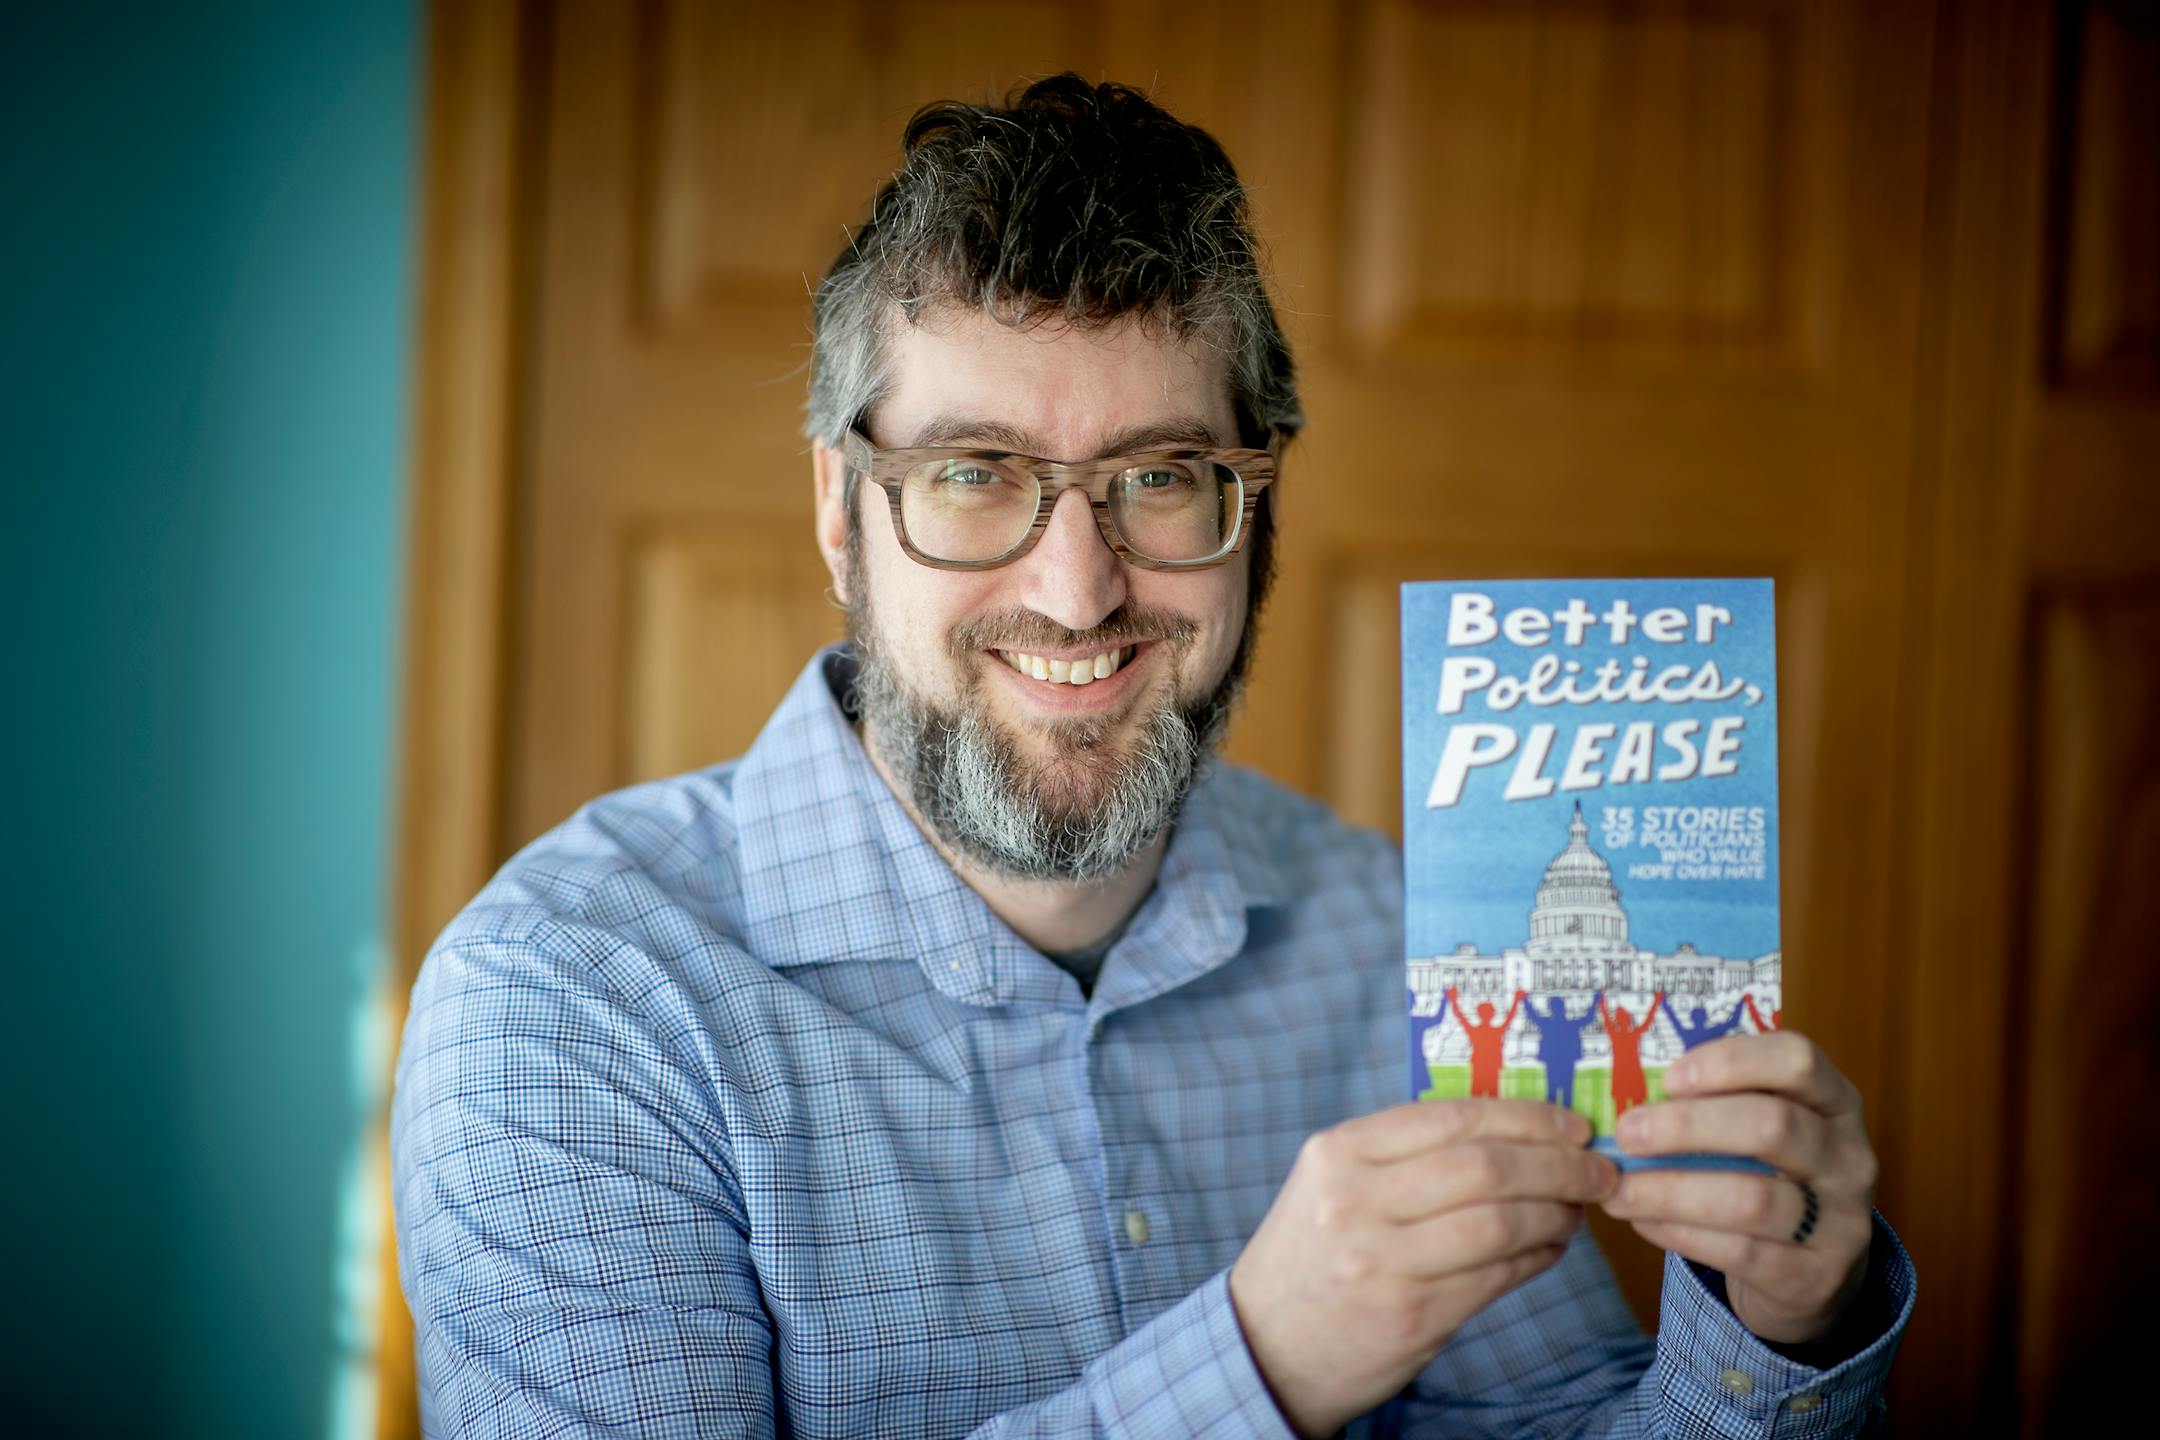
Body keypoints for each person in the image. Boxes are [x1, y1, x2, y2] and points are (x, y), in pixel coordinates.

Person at [392, 75, 1913, 1438]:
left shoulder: (1395, 933)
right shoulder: (572, 999)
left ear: (1257, 510)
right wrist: (1263, 1366)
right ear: (841, 510)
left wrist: (1777, 1337)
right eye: (975, 474)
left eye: (1163, 476)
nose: (1078, 592)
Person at [1526, 990, 1604, 1109]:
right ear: (1563, 1008)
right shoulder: (1570, 1025)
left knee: (1553, 1092)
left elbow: (1533, 1016)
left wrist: (1525, 1001)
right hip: (1565, 1061)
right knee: (1565, 1092)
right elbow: (1588, 1018)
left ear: (1551, 1009)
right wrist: (1595, 1001)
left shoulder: (1547, 1024)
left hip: (1553, 1061)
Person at [1445, 986, 1525, 1099]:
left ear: (1478, 1014)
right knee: (1490, 1099)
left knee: (1477, 1099)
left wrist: (1453, 999)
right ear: (1493, 1014)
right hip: (1490, 1066)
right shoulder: (1497, 1032)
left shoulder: (1476, 1031)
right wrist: (1516, 999)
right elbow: (1510, 1017)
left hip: (1481, 1066)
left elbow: (1460, 1016)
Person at [1662, 994, 1749, 1051]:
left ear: (1691, 1019)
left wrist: (1663, 1002)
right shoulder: (1713, 1032)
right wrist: (1742, 1002)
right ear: (1706, 1018)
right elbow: (1734, 1022)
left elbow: (1672, 1018)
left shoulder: (1686, 1034)